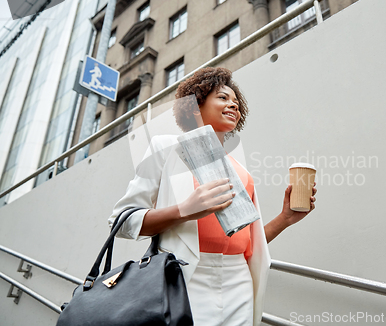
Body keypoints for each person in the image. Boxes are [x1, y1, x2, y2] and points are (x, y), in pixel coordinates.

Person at [108, 67, 317, 326]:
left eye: (236, 102)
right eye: (222, 98)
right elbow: (121, 221)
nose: (233, 105)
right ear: (196, 106)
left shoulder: (241, 171)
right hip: (185, 277)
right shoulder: (166, 148)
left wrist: (285, 218)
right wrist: (184, 210)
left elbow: (249, 243)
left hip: (239, 280)